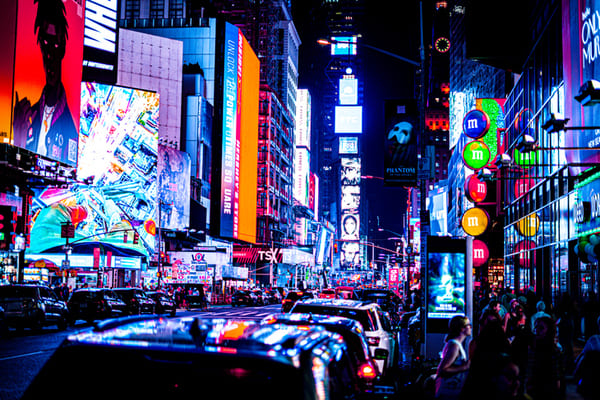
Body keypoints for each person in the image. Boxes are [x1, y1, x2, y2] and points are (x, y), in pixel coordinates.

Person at [13, 0, 79, 166]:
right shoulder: (28, 114)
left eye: (55, 44)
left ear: (63, 47)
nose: (50, 54)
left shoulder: (70, 129)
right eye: (46, 43)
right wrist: (18, 134)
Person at [525, 316, 564, 400]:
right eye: (536, 327)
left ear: (549, 331)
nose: (537, 330)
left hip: (547, 389)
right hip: (534, 388)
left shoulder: (553, 351)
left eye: (541, 328)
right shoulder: (533, 346)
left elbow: (557, 376)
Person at [434, 315, 472, 400]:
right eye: (468, 325)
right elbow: (442, 370)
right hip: (447, 392)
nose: (470, 327)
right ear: (462, 328)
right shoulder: (454, 346)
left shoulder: (456, 344)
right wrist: (464, 367)